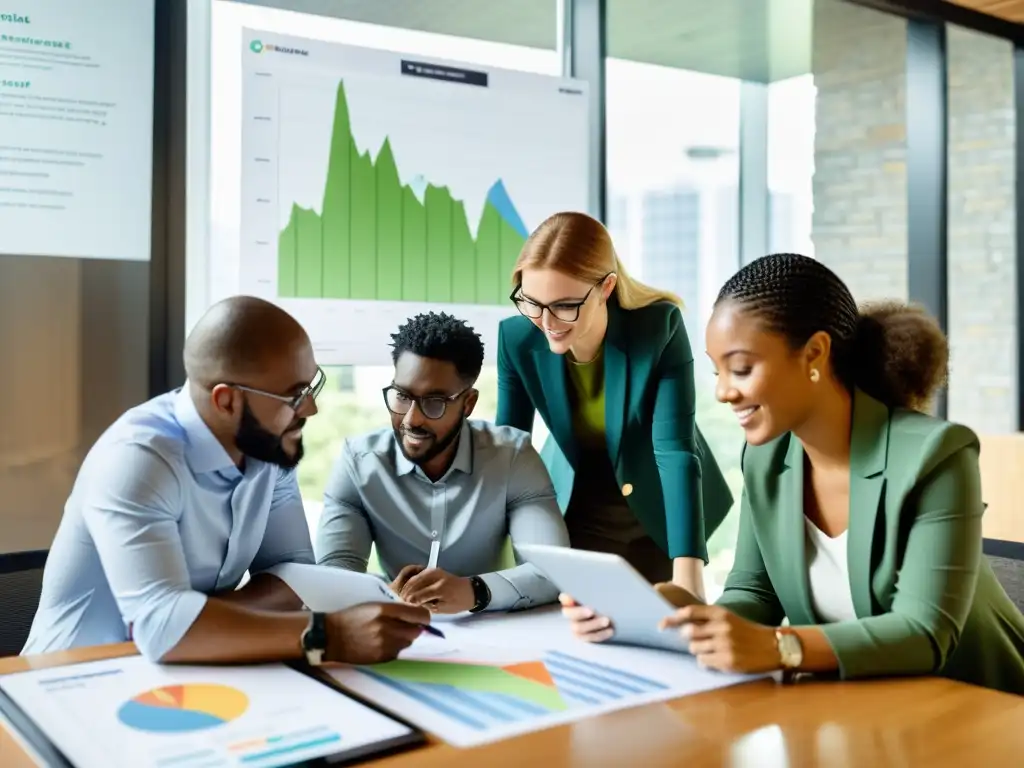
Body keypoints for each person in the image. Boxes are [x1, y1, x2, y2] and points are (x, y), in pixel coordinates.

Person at [563, 253, 1024, 696]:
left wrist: (780, 648)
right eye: (717, 371)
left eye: (741, 368)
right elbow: (753, 595)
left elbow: (924, 632)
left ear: (815, 354)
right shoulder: (767, 459)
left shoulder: (936, 455)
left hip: (983, 708)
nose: (723, 392)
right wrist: (669, 612)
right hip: (868, 709)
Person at [22, 296, 431, 665]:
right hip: (69, 681)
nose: (311, 408)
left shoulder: (267, 450)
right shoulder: (137, 458)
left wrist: (201, 622)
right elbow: (164, 628)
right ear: (226, 400)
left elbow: (292, 574)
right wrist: (330, 634)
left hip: (188, 667)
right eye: (294, 395)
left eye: (312, 385)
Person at [496, 211, 733, 596]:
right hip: (575, 510)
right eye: (532, 302)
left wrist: (688, 577)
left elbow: (674, 452)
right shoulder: (517, 338)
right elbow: (505, 452)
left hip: (658, 513)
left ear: (606, 287)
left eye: (565, 305)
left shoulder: (659, 328)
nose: (546, 320)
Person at [316, 312, 569, 615]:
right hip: (399, 636)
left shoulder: (513, 457)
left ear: (468, 404)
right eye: (402, 396)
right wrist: (383, 595)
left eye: (434, 402)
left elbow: (552, 572)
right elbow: (331, 575)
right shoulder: (358, 463)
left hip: (495, 633)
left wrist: (474, 591)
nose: (412, 419)